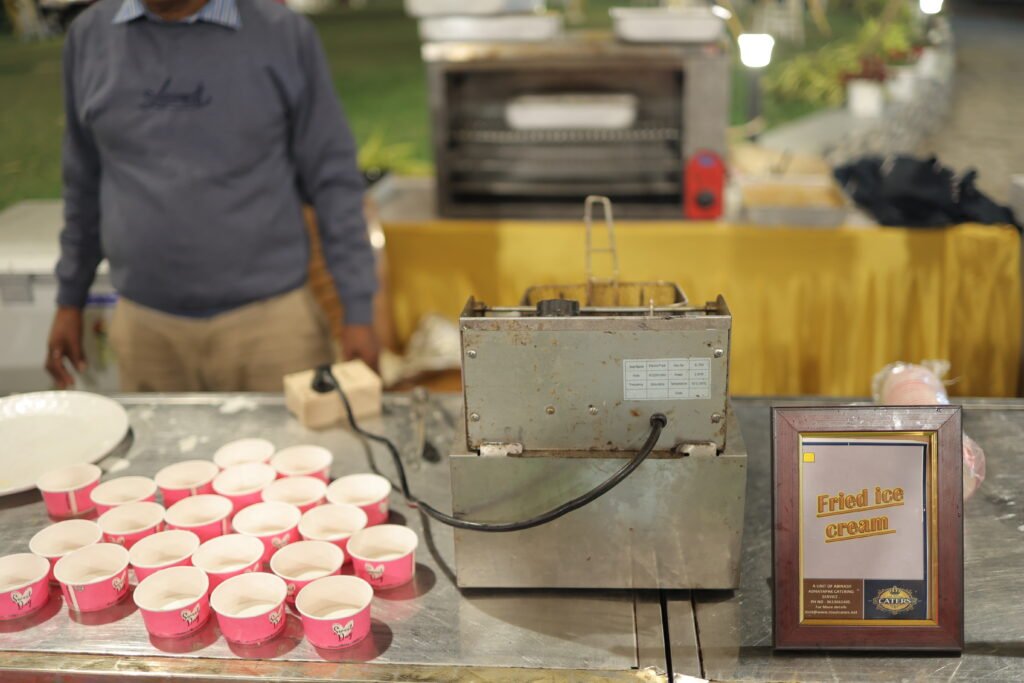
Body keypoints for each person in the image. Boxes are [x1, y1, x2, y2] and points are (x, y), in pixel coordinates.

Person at [45, 0, 378, 392]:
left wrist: (357, 311)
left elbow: (332, 178)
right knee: (160, 455)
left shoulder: (281, 33)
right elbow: (82, 181)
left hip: (272, 327)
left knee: (296, 453)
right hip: (145, 329)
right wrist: (69, 301)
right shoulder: (89, 36)